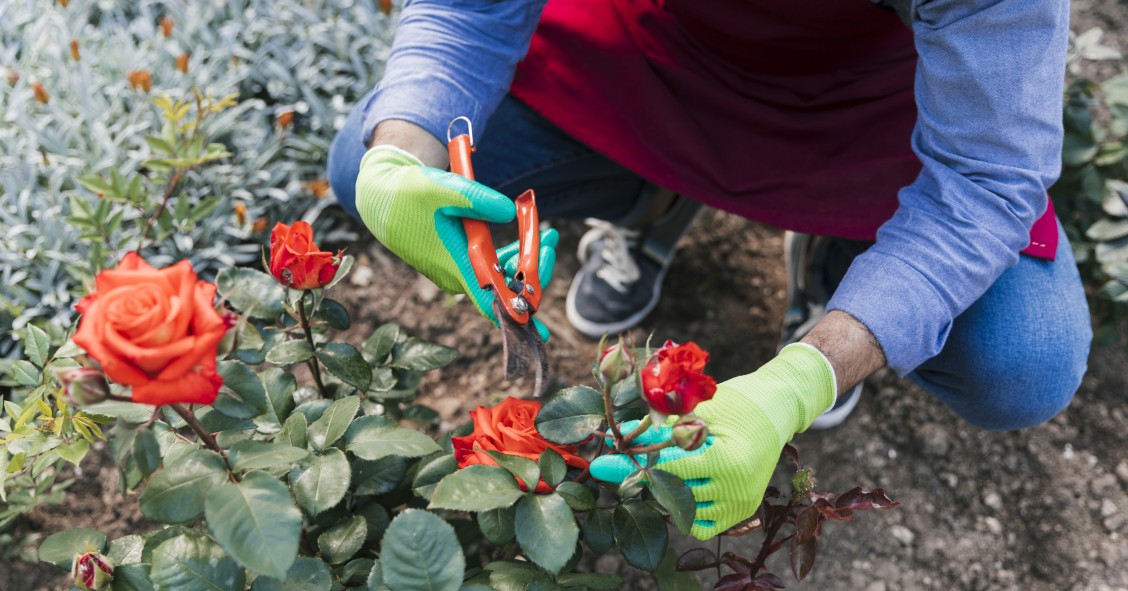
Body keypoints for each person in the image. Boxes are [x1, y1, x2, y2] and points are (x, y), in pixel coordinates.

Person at [327, 0, 1091, 540]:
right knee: (368, 158)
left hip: (876, 114)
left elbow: (983, 178)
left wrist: (807, 376)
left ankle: (850, 258)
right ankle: (650, 197)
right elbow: (470, 12)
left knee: (1022, 359)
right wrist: (400, 157)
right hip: (653, 61)